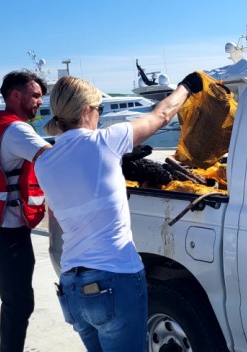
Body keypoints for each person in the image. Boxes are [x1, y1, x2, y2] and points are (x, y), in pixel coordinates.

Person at [34, 73, 202, 351]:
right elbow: (161, 115)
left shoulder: (44, 162)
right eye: (98, 110)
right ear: (87, 111)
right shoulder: (105, 142)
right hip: (113, 278)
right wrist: (186, 87)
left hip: (72, 286)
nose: (98, 115)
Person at [0, 70, 51, 352]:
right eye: (35, 96)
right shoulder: (17, 129)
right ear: (16, 95)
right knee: (18, 302)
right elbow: (55, 160)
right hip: (6, 229)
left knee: (15, 300)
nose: (39, 103)